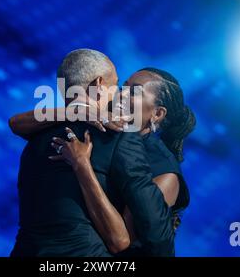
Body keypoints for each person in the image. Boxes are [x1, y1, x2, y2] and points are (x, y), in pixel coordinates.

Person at [11, 66, 195, 256]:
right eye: (123, 87)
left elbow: (121, 243)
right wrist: (78, 112)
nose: (121, 94)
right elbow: (17, 124)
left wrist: (82, 166)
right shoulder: (103, 124)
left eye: (133, 92)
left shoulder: (164, 171)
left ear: (157, 114)